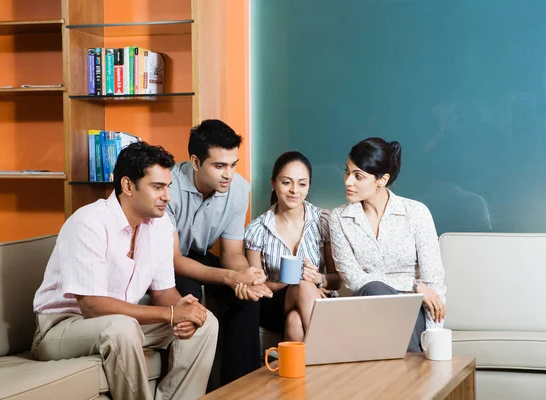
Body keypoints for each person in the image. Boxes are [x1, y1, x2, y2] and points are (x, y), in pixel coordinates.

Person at [32, 142, 218, 400]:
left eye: (168, 187)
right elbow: (92, 306)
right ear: (128, 186)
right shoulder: (89, 223)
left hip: (123, 323)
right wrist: (171, 313)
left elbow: (164, 291)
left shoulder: (161, 225)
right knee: (122, 328)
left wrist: (184, 310)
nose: (167, 196)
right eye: (157, 187)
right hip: (62, 328)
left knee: (205, 321)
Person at [166, 119, 272, 386]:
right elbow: (174, 259)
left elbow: (231, 253)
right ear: (196, 162)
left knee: (249, 298)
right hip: (167, 261)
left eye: (233, 165)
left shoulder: (238, 189)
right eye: (219, 166)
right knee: (191, 293)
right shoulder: (167, 187)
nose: (228, 174)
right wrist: (228, 277)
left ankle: (241, 387)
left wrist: (246, 274)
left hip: (200, 256)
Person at [328, 137, 446, 352]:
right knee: (375, 288)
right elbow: (354, 279)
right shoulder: (338, 218)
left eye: (358, 176)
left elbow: (434, 284)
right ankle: (417, 374)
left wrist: (434, 338)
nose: (347, 181)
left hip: (412, 314)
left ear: (382, 180)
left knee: (404, 324)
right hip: (365, 309)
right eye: (347, 171)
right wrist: (415, 286)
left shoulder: (416, 213)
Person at [244, 151, 342, 342]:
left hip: (318, 300)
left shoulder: (323, 221)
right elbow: (255, 284)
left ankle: (304, 371)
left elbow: (337, 280)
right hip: (274, 304)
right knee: (303, 285)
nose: (294, 190)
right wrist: (293, 279)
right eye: (286, 182)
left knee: (295, 323)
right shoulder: (257, 229)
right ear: (273, 183)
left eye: (302, 183)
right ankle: (332, 357)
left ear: (308, 186)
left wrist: (317, 278)